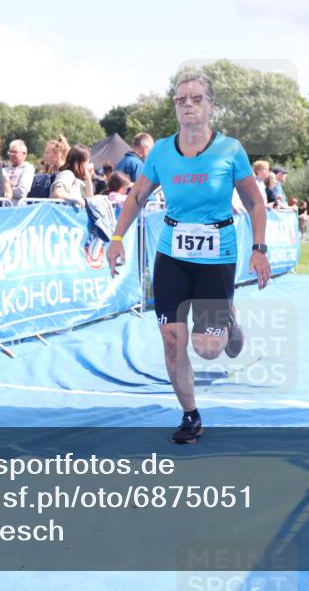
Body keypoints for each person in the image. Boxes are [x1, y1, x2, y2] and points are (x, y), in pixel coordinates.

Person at [106, 70, 270, 444]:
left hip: (218, 254)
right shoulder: (162, 151)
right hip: (173, 255)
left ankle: (227, 318)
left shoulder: (230, 150)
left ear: (211, 106)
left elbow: (254, 202)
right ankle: (190, 416)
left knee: (208, 349)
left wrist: (259, 248)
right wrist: (117, 236)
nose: (188, 105)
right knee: (172, 340)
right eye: (181, 99)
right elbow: (136, 196)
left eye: (196, 98)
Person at [5, 139, 35, 206]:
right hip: (2, 208)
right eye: (10, 152)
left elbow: (21, 192)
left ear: (24, 154)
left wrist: (5, 186)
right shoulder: (5, 169)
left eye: (15, 152)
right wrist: (11, 184)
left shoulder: (28, 169)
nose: (11, 154)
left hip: (17, 209)